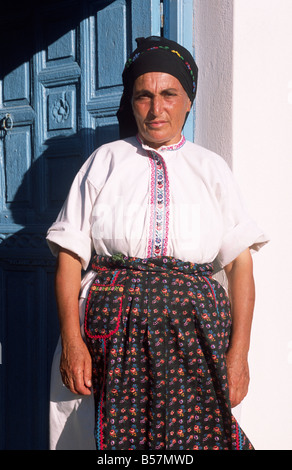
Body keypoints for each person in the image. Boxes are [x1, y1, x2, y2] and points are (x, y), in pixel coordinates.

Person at [46, 36, 268, 451]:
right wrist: (73, 343)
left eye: (169, 94)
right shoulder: (104, 162)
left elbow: (240, 265)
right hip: (109, 339)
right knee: (106, 438)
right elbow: (70, 259)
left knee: (200, 438)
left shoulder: (210, 168)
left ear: (188, 101)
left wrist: (239, 355)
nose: (156, 108)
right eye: (143, 96)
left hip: (196, 338)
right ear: (131, 102)